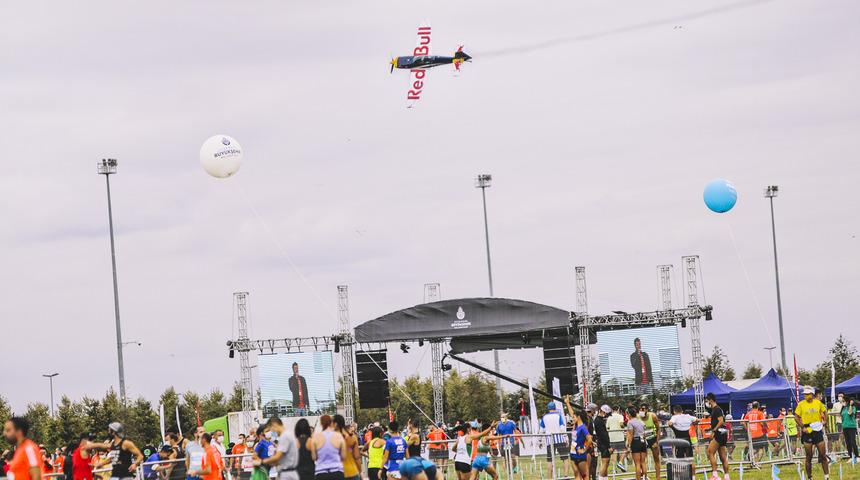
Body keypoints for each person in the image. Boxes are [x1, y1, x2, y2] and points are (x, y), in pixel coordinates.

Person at [795, 386, 829, 480]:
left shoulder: (818, 403)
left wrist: (825, 421)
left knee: (823, 455)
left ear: (812, 394)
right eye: (805, 394)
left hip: (818, 431)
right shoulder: (801, 404)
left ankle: (826, 476)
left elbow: (825, 412)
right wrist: (802, 427)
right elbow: (796, 417)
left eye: (808, 394)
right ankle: (810, 477)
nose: (806, 396)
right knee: (809, 456)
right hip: (807, 431)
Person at [309, 415, 347, 480]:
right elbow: (343, 456)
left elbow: (314, 457)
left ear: (321, 424)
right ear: (331, 422)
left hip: (321, 473)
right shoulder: (338, 436)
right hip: (337, 472)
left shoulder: (315, 437)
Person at [540, 401, 570, 478]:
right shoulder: (558, 416)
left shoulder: (544, 417)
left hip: (549, 440)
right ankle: (565, 476)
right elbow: (562, 428)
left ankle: (550, 478)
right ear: (555, 408)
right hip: (559, 439)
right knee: (565, 458)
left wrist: (540, 440)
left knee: (550, 460)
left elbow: (541, 430)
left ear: (548, 409)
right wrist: (566, 438)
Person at [704, 393, 730, 480]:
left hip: (719, 433)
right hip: (723, 434)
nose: (706, 402)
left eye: (707, 400)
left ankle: (715, 475)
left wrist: (714, 431)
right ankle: (726, 476)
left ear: (711, 399)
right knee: (723, 457)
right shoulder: (716, 409)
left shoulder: (717, 409)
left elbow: (721, 421)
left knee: (710, 452)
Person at [668, 405, 696, 473]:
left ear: (674, 411)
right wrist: (692, 424)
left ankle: (682, 476)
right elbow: (697, 420)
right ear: (682, 411)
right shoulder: (687, 416)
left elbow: (670, 423)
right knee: (690, 459)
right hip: (688, 440)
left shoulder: (674, 417)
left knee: (680, 460)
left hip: (679, 440)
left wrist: (673, 428)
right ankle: (693, 477)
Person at [333, 415, 361, 480]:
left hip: (338, 473)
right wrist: (360, 471)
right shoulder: (352, 437)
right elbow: (357, 457)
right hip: (353, 471)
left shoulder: (332, 438)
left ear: (335, 424)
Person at [639, 404, 661, 480]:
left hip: (652, 439)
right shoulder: (638, 416)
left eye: (643, 409)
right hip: (642, 439)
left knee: (656, 459)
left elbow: (658, 429)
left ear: (647, 410)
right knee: (642, 460)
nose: (641, 410)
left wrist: (657, 442)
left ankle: (658, 477)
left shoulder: (653, 416)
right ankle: (644, 477)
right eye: (640, 409)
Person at [624, 407, 647, 480]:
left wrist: (629, 445)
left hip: (636, 441)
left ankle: (638, 479)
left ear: (629, 414)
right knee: (643, 462)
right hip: (642, 441)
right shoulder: (641, 421)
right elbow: (645, 433)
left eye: (627, 414)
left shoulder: (630, 422)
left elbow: (631, 435)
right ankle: (645, 478)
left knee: (637, 463)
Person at [841, 397, 858, 463]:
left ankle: (857, 456)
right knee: (847, 443)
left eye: (844, 401)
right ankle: (851, 456)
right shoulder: (843, 408)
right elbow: (842, 417)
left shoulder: (853, 407)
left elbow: (850, 413)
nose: (843, 402)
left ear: (847, 401)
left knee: (852, 442)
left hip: (851, 427)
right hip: (845, 427)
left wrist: (850, 405)